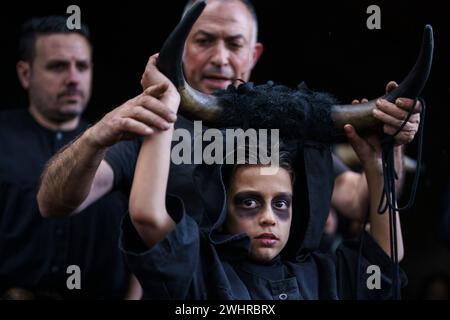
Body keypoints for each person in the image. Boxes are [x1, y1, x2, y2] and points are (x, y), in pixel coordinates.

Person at [37, 0, 420, 236]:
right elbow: (55, 203)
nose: (221, 58)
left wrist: (389, 149)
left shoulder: (286, 123)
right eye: (204, 41)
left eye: (234, 44)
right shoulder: (151, 125)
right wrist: (97, 135)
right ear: (181, 48)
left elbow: (358, 199)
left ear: (253, 54)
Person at [120, 56, 406, 299]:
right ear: (223, 206)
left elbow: (385, 256)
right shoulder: (201, 267)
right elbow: (147, 214)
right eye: (249, 202)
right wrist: (165, 108)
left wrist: (377, 167)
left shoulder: (322, 274)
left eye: (281, 204)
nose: (269, 217)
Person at [0, 16, 140, 299]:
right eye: (58, 66)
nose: (73, 78)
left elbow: (146, 237)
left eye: (82, 66)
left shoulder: (121, 146)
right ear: (25, 74)